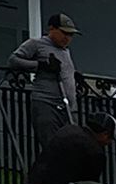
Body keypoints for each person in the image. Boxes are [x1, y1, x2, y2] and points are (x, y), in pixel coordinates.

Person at [10, 13, 82, 146]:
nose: (67, 38)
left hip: (67, 107)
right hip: (46, 103)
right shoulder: (37, 44)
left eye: (70, 35)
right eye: (64, 33)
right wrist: (41, 65)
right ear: (52, 29)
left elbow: (64, 71)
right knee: (52, 145)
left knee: (70, 145)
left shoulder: (65, 51)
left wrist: (74, 75)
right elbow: (14, 60)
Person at [26, 112, 116, 184]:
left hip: (35, 182)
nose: (108, 143)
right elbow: (89, 183)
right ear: (105, 134)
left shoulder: (69, 129)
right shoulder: (95, 151)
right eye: (110, 139)